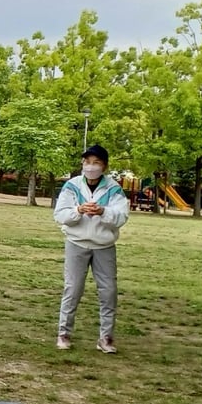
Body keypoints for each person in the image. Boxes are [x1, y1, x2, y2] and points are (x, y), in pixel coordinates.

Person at [53, 144, 129, 354]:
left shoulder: (114, 189)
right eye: (87, 162)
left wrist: (103, 211)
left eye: (96, 163)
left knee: (108, 292)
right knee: (73, 288)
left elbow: (121, 217)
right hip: (76, 243)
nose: (91, 167)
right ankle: (64, 333)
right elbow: (60, 215)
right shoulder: (72, 186)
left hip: (104, 246)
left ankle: (106, 338)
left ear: (104, 166)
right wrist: (78, 210)